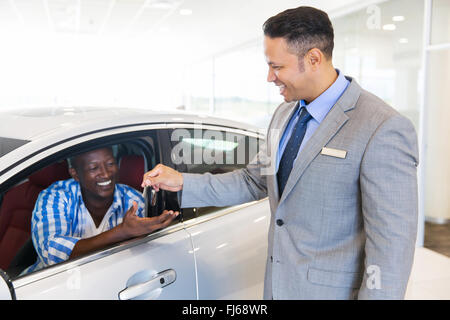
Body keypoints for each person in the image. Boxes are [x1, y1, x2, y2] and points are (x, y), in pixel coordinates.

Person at [142, 6, 419, 299]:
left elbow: (392, 247)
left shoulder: (383, 127)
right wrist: (182, 182)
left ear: (313, 59)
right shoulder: (284, 114)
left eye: (277, 67)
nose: (270, 77)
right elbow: (254, 181)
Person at [22, 147, 179, 274]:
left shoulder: (133, 199)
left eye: (110, 164)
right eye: (93, 167)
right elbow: (51, 253)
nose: (105, 173)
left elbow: (141, 255)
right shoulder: (56, 196)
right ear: (75, 174)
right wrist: (122, 232)